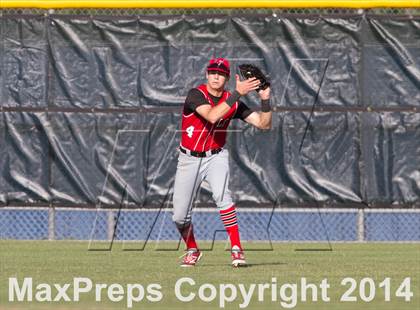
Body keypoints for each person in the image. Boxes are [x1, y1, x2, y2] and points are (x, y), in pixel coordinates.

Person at [172, 57, 272, 267]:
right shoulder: (196, 94)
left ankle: (237, 249)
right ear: (207, 75)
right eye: (212, 72)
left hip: (215, 156)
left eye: (220, 73)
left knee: (222, 197)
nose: (215, 76)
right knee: (179, 216)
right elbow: (211, 116)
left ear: (227, 78)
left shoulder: (233, 102)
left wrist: (265, 99)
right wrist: (238, 93)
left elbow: (263, 124)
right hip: (188, 158)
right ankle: (192, 249)